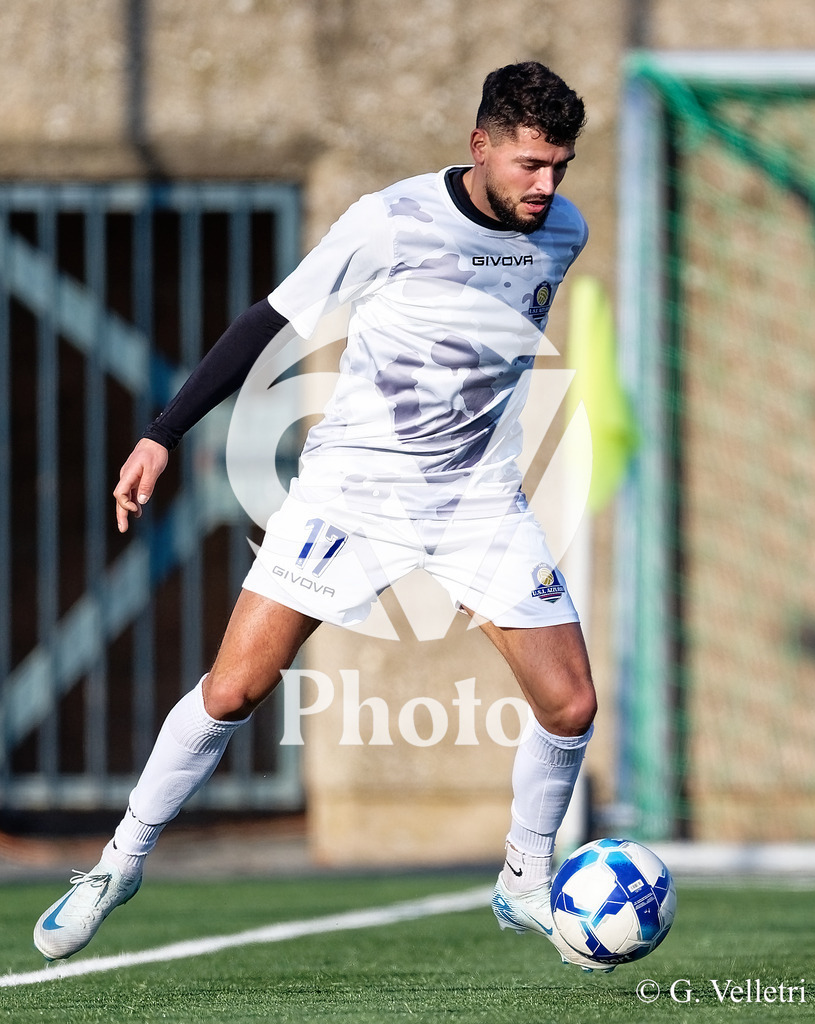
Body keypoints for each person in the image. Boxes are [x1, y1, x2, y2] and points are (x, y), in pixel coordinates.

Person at [34, 60, 609, 972]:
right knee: (232, 692)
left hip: (474, 500)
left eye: (559, 167)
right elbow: (265, 322)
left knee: (570, 703)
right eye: (530, 164)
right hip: (350, 493)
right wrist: (162, 434)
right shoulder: (388, 220)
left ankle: (523, 878)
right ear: (479, 147)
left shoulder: (562, 230)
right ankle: (117, 863)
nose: (546, 186)